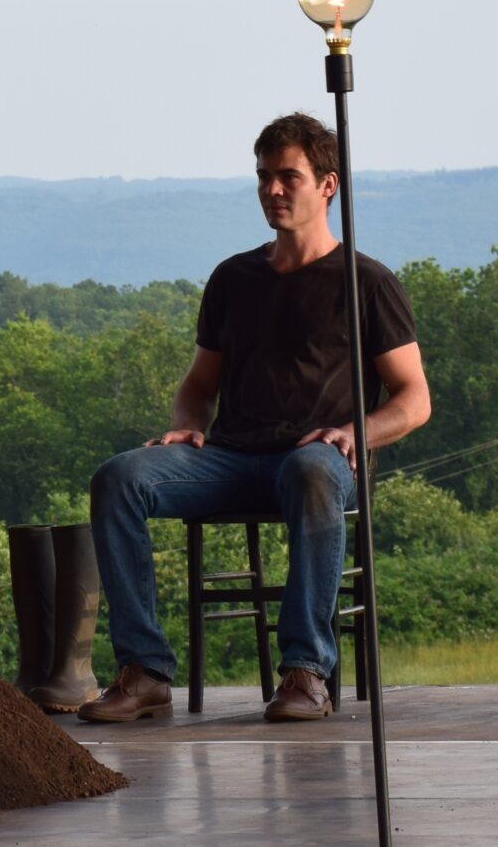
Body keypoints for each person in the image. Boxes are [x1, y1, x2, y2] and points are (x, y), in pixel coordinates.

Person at [78, 113, 430, 724]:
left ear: (328, 185)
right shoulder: (233, 278)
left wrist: (356, 432)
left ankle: (305, 672)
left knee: (310, 471)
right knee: (120, 477)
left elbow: (413, 399)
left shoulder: (366, 282)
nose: (272, 189)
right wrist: (187, 423)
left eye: (288, 176)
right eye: (264, 176)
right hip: (231, 459)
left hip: (320, 464)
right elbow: (199, 385)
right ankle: (145, 672)